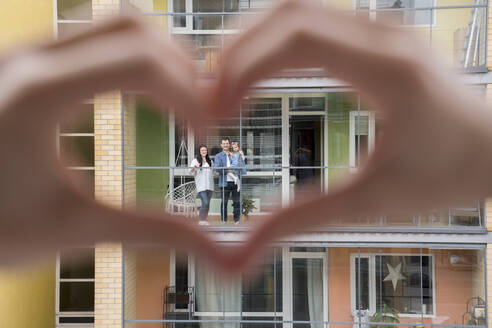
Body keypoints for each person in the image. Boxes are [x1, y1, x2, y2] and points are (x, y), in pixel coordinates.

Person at [1, 1, 492, 273]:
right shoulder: (212, 161)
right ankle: (216, 215)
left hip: (228, 186)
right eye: (224, 146)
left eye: (227, 146)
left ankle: (223, 214)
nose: (224, 147)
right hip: (218, 186)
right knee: (212, 203)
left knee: (228, 202)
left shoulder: (228, 160)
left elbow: (226, 167)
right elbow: (204, 168)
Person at [214, 137, 246, 224]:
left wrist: (241, 156)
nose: (225, 145)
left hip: (235, 182)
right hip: (224, 182)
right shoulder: (218, 156)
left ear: (229, 144)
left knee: (236, 202)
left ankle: (236, 220)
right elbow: (217, 169)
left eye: (227, 143)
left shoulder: (234, 154)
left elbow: (241, 166)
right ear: (221, 145)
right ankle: (223, 220)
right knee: (224, 202)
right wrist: (228, 170)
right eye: (224, 143)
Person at [190, 145, 214, 226]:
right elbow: (190, 171)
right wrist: (194, 167)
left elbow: (213, 172)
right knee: (205, 202)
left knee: (207, 204)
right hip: (201, 185)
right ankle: (201, 219)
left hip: (210, 185)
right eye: (202, 150)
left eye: (205, 150)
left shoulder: (210, 161)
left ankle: (204, 219)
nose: (204, 151)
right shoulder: (195, 160)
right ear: (199, 152)